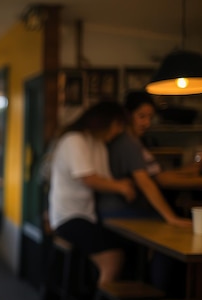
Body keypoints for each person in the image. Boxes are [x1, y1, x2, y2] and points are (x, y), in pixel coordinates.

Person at [49, 101, 135, 288]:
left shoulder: (97, 144)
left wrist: (119, 184)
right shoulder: (74, 140)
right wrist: (121, 187)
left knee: (125, 247)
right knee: (114, 256)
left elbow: (103, 179)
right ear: (106, 122)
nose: (119, 131)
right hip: (68, 217)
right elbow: (88, 178)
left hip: (88, 215)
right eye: (118, 125)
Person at [97, 91, 192, 227]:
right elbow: (144, 181)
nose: (147, 123)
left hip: (114, 209)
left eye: (150, 117)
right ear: (128, 116)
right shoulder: (127, 142)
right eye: (141, 116)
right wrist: (171, 218)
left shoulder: (132, 140)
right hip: (119, 211)